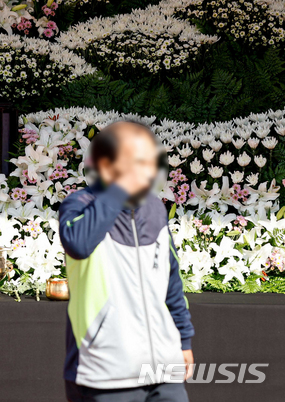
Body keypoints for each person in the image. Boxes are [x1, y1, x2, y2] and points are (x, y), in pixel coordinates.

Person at [58, 121, 194, 402]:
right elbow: (79, 245)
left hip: (164, 371)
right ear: (107, 165)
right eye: (137, 161)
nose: (148, 169)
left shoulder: (156, 208)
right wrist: (117, 190)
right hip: (104, 374)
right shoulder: (78, 204)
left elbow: (171, 282)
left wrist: (183, 340)